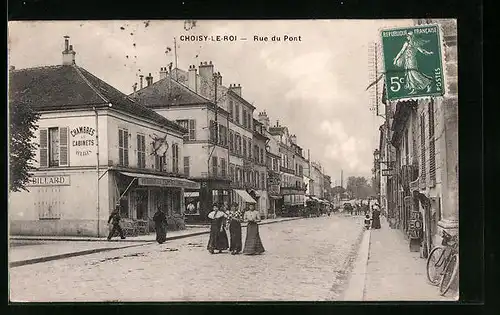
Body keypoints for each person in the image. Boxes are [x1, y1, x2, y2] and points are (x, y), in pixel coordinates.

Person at [393, 31, 434, 95]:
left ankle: (428, 82)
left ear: (412, 37)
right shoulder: (406, 43)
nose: (407, 37)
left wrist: (428, 53)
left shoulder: (415, 43)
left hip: (412, 60)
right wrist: (396, 59)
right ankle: (414, 89)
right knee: (410, 75)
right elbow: (401, 52)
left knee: (414, 73)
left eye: (408, 36)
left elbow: (422, 50)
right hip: (407, 61)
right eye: (407, 36)